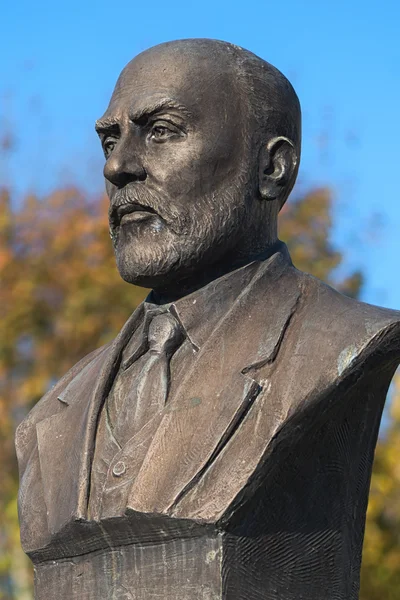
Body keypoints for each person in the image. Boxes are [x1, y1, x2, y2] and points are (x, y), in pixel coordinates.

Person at [16, 39, 400, 600]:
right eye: (109, 139)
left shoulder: (343, 344)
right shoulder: (51, 415)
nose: (117, 166)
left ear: (272, 169)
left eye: (163, 131)